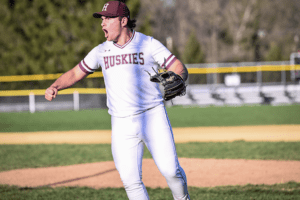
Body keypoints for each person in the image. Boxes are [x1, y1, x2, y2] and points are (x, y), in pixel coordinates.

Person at [45, 1, 190, 199]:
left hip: (153, 116)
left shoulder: (147, 44)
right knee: (131, 181)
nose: (103, 23)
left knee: (171, 171)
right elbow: (75, 72)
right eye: (102, 19)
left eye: (108, 18)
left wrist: (179, 76)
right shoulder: (101, 51)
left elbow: (178, 66)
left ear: (123, 21)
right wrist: (56, 86)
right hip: (121, 123)